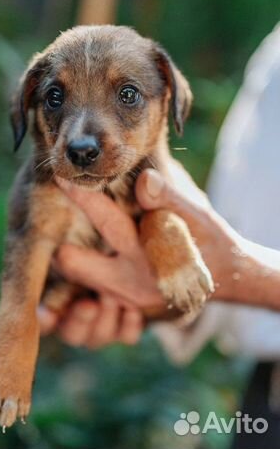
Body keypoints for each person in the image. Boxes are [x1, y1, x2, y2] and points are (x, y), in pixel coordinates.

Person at [38, 23, 280, 447]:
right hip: (266, 403)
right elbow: (233, 227)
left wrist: (244, 276)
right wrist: (146, 290)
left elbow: (233, 260)